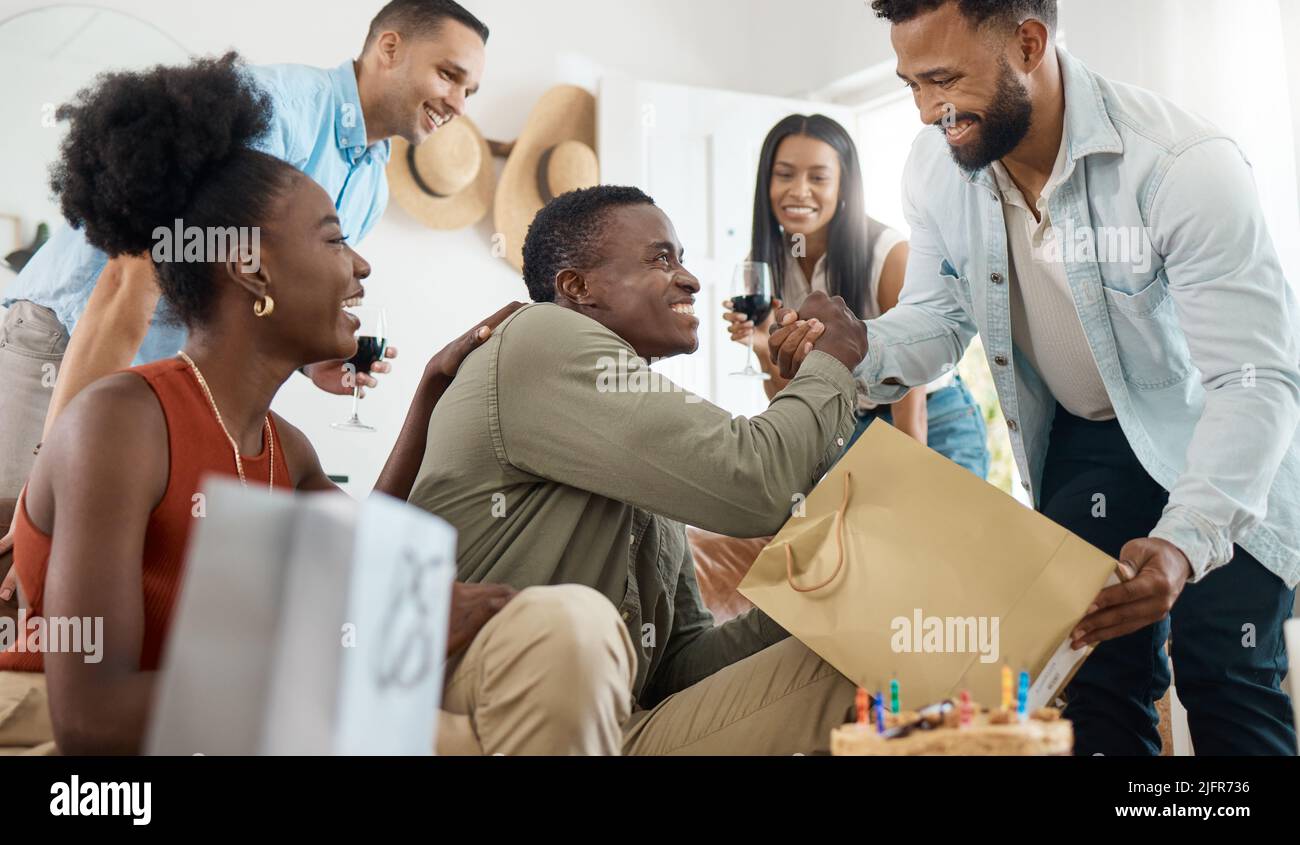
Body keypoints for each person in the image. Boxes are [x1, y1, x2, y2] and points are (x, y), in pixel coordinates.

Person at [773, 0, 1298, 755]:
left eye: (943, 80)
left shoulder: (1182, 166)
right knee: (1091, 677)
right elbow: (938, 317)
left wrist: (1185, 541)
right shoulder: (937, 166)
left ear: (1028, 42)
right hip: (1088, 441)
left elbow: (1254, 382)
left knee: (1225, 672)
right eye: (911, 83)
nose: (926, 111)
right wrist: (863, 348)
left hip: (1216, 435)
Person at [0, 54, 516, 755]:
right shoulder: (122, 423)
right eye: (334, 239)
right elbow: (92, 722)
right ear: (250, 266)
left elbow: (368, 548)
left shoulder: (286, 447)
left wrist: (428, 393)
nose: (362, 265)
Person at [0, 0, 491, 592]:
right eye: (449, 75)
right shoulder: (274, 111)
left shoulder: (369, 186)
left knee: (91, 587)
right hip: (71, 340)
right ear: (389, 48)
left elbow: (265, 291)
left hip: (156, 377)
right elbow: (127, 282)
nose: (459, 105)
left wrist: (316, 364)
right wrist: (51, 484)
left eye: (472, 91)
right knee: (20, 563)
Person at [408, 184, 874, 755]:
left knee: (873, 657)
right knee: (574, 625)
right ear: (576, 288)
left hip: (613, 727)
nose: (691, 279)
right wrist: (830, 366)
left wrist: (823, 596)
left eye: (680, 257)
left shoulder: (633, 421)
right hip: (497, 704)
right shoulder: (542, 335)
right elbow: (752, 483)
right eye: (660, 258)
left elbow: (676, 667)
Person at [724, 113, 989, 477]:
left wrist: (910, 465)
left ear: (843, 185)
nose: (799, 190)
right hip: (850, 425)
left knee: (926, 527)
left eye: (818, 177)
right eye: (784, 174)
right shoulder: (766, 268)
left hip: (934, 417)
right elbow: (791, 395)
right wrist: (762, 348)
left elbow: (913, 370)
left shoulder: (886, 252)